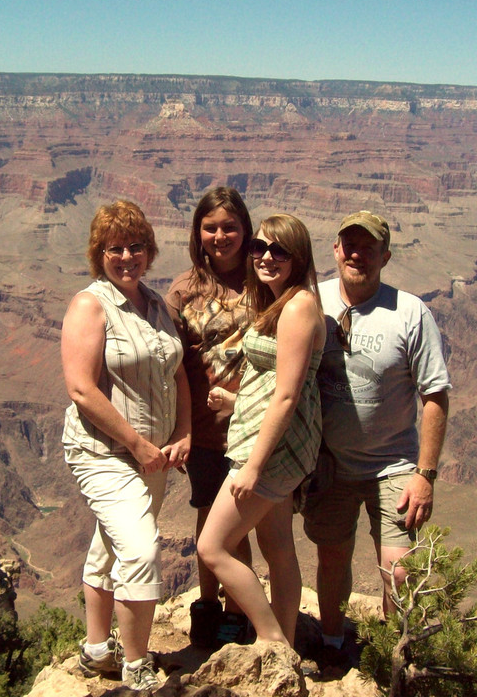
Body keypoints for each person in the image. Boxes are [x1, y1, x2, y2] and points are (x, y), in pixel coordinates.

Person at [302, 210, 451, 660]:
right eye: (349, 245)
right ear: (335, 249)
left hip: (394, 464)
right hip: (329, 463)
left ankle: (393, 656)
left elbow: (434, 395)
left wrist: (425, 474)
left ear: (385, 256)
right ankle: (332, 642)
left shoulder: (410, 313)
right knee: (331, 557)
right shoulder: (312, 302)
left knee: (398, 570)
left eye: (368, 248)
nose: (357, 254)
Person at [61, 200, 192, 691]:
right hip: (105, 453)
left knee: (111, 544)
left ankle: (97, 648)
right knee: (139, 548)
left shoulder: (155, 304)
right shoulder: (90, 305)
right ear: (99, 253)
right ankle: (136, 665)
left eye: (136, 246)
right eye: (114, 248)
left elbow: (178, 372)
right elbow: (80, 388)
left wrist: (184, 432)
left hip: (153, 456)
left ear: (149, 251)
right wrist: (137, 444)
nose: (126, 257)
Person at [197, 213, 325, 647]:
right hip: (275, 440)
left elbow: (288, 395)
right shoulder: (279, 301)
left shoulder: (298, 306)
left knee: (212, 547)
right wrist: (239, 403)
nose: (266, 257)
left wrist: (252, 466)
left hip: (270, 450)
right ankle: (285, 642)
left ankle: (271, 641)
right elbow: (277, 383)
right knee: (278, 547)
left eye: (279, 250)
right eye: (259, 247)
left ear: (298, 257)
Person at [166, 187, 255, 648]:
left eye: (229, 227)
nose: (220, 236)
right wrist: (178, 429)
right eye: (210, 228)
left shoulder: (263, 279)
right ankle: (207, 604)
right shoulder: (183, 290)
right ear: (197, 233)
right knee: (206, 514)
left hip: (252, 427)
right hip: (203, 430)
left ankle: (238, 611)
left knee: (236, 525)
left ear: (245, 229)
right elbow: (172, 365)